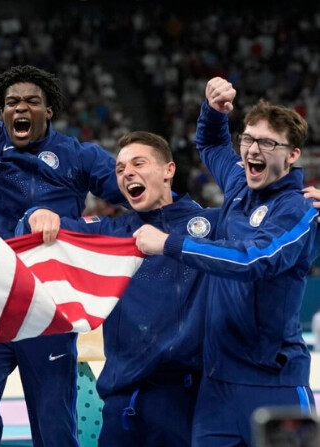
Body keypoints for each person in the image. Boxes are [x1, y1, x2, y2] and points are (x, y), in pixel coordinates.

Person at [0, 65, 124, 447]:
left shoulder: (78, 156)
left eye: (32, 101)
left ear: (48, 110)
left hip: (48, 308)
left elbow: (133, 194)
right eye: (12, 102)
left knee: (55, 427)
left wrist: (90, 224)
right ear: (2, 112)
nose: (21, 107)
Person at [134, 77, 320, 446]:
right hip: (217, 384)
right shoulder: (239, 186)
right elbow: (210, 143)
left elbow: (255, 261)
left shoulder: (300, 208)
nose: (253, 149)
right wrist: (214, 111)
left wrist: (170, 243)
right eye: (248, 139)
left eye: (267, 142)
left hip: (272, 381)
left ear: (293, 154)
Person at [17, 131, 219, 446]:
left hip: (189, 401)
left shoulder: (211, 226)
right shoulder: (113, 233)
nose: (127, 173)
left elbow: (266, 235)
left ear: (168, 170)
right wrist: (36, 214)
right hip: (123, 405)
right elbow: (53, 228)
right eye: (120, 169)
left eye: (138, 163)